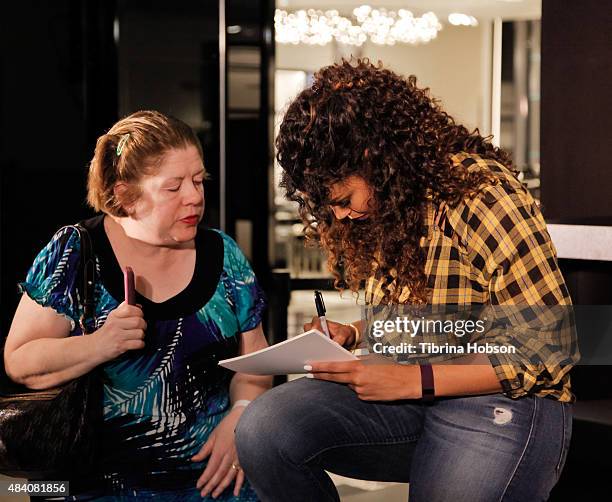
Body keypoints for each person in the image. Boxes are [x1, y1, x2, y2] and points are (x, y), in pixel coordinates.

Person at [235, 60, 577, 501]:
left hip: (503, 398)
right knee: (264, 429)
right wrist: (357, 333)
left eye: (342, 198)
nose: (338, 215)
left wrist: (416, 380)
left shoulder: (480, 194)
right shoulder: (386, 208)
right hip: (412, 393)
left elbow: (551, 345)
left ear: (379, 160)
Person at [4, 110, 271, 501]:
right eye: (173, 186)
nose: (194, 196)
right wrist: (101, 343)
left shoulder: (223, 253)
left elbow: (256, 360)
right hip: (93, 486)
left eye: (199, 180)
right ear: (126, 194)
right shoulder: (77, 250)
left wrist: (241, 415)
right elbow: (20, 362)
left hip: (217, 483)